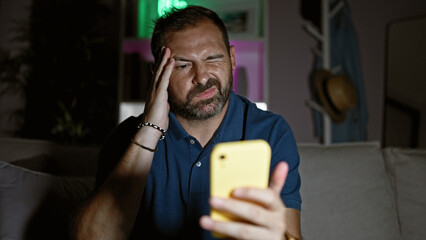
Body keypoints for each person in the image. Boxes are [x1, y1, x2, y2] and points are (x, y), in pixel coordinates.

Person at [71, 5, 302, 240]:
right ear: (158, 74)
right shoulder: (127, 136)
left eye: (213, 59)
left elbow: (292, 235)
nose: (201, 76)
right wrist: (149, 132)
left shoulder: (271, 132)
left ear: (232, 59)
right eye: (182, 65)